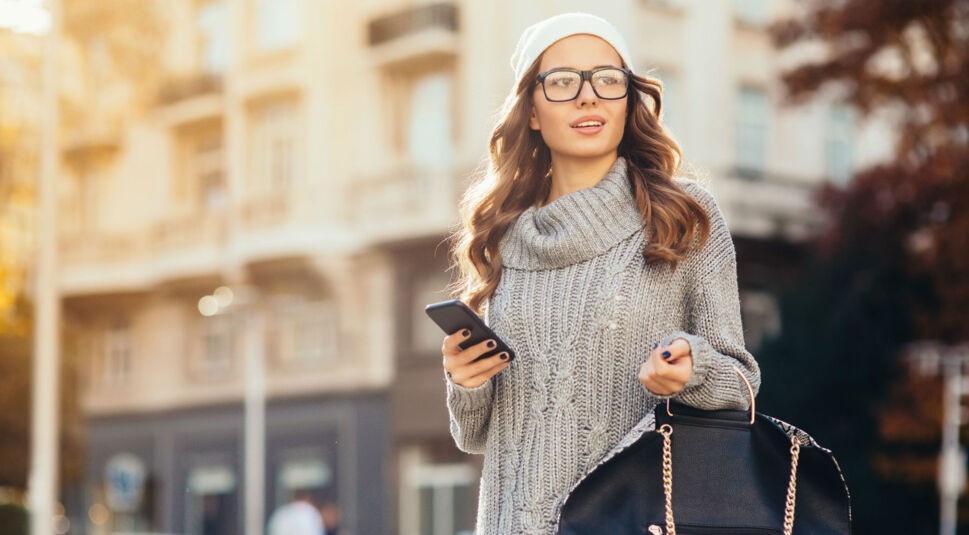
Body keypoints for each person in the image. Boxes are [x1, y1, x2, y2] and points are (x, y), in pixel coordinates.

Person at [441, 12, 761, 535]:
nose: (588, 97)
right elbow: (475, 436)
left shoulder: (683, 215)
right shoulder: (502, 234)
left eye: (608, 80)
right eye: (562, 82)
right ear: (532, 111)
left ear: (629, 100)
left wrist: (692, 371)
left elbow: (742, 385)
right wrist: (465, 381)